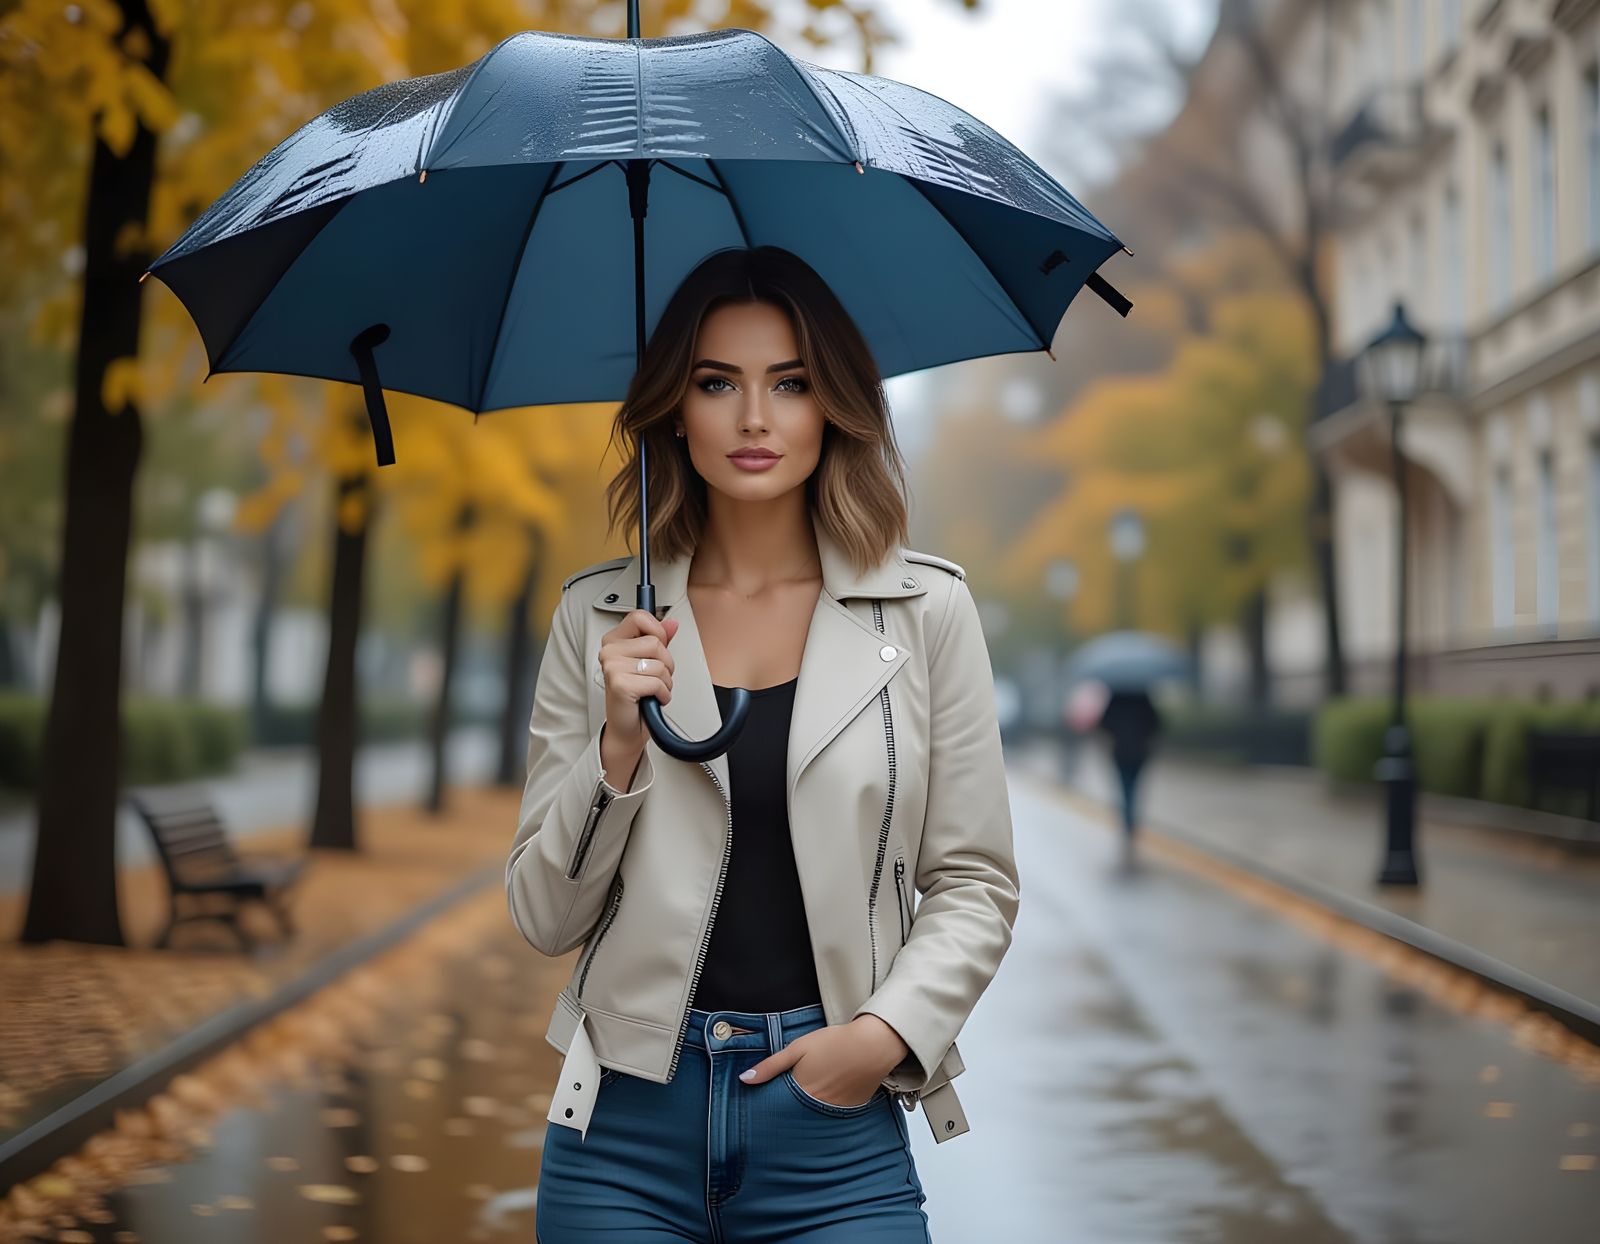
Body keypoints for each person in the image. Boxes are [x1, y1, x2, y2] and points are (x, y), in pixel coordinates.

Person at [507, 245, 1019, 1242]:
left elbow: (974, 879)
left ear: (832, 404)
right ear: (673, 408)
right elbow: (543, 911)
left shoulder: (925, 613)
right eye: (716, 383)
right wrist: (615, 746)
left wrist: (876, 1039)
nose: (753, 418)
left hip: (833, 1131)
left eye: (788, 382)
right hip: (620, 1130)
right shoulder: (599, 621)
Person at [1096, 687, 1162, 843]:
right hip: (1139, 752)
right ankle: (1131, 821)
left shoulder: (1115, 699)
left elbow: (1104, 724)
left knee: (1125, 787)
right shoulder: (1143, 697)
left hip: (1121, 752)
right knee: (1135, 787)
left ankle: (1128, 821)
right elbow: (1156, 723)